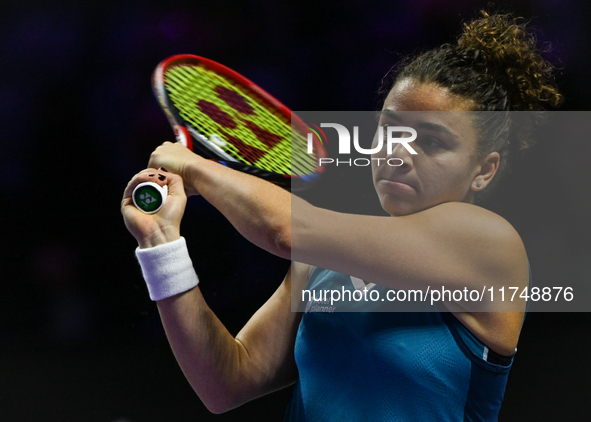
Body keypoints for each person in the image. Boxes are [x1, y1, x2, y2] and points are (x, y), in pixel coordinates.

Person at [121, 11, 562, 421]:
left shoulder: (488, 242)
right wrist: (162, 245)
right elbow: (225, 382)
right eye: (391, 130)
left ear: (484, 171)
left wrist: (196, 167)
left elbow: (287, 231)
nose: (397, 154)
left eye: (431, 142)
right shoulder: (324, 260)